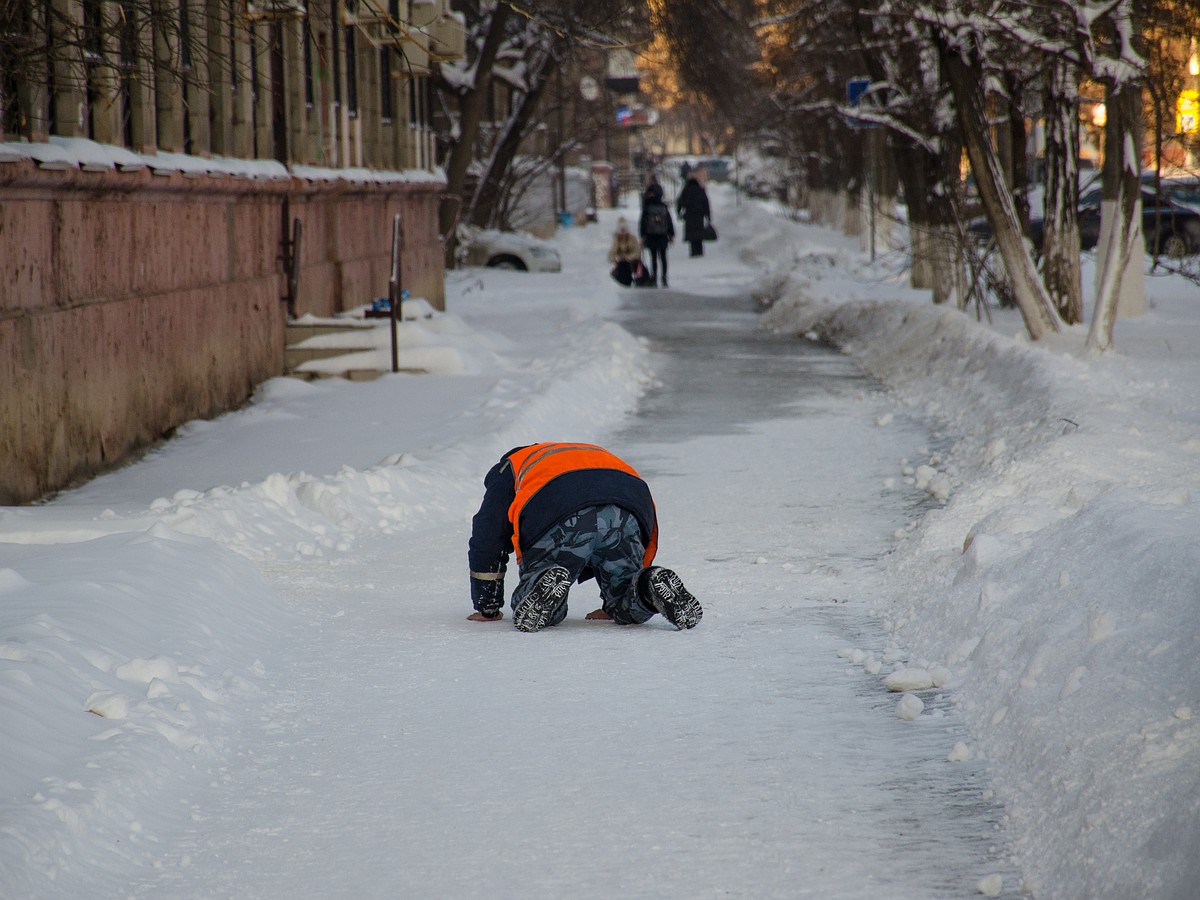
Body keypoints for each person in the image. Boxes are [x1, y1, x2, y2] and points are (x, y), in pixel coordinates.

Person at [467, 442, 702, 633]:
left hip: (560, 513)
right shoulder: (589, 452)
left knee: (539, 592)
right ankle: (648, 587)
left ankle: (547, 580)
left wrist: (487, 606)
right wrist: (642, 567)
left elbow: (487, 535)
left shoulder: (509, 468)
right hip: (627, 508)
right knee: (625, 596)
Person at [638, 183, 675, 288]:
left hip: (651, 235)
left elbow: (643, 222)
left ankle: (654, 278)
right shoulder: (663, 206)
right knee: (663, 257)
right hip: (663, 235)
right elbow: (669, 220)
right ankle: (664, 278)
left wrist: (642, 235)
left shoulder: (647, 206)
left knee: (653, 257)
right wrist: (671, 234)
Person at [676, 172, 712, 257]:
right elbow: (706, 203)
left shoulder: (686, 190)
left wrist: (679, 212)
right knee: (699, 233)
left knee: (691, 234)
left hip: (689, 215)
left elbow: (680, 202)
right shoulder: (700, 190)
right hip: (699, 215)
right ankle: (699, 250)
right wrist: (708, 215)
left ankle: (693, 251)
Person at [607, 217, 642, 287]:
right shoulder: (616, 240)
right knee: (622, 266)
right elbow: (611, 253)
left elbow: (637, 252)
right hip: (621, 263)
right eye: (621, 230)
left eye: (624, 230)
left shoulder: (632, 238)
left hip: (632, 261)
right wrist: (615, 260)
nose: (623, 233)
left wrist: (627, 258)